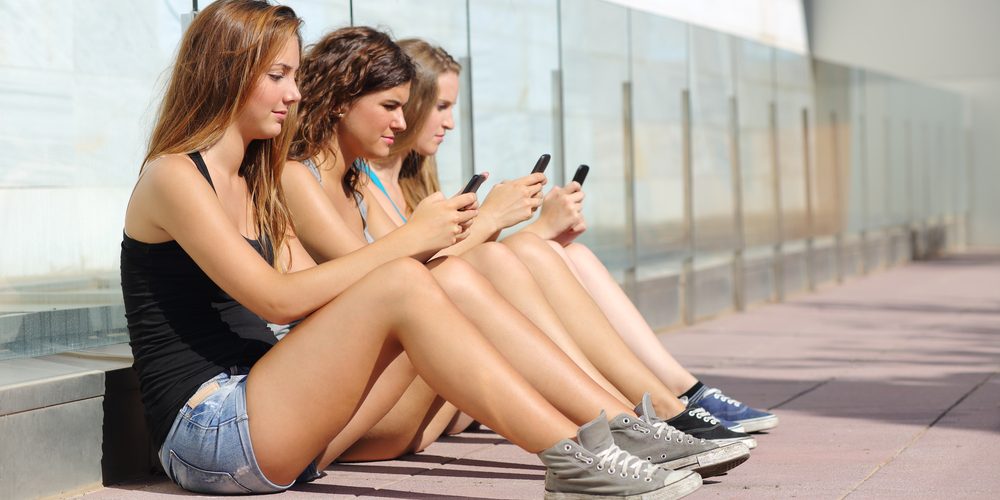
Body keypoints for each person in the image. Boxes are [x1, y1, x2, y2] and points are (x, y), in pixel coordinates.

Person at [121, 2, 701, 497]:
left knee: (441, 279)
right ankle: (578, 456)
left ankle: (618, 426)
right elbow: (275, 299)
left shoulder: (256, 179)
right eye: (278, 75)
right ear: (229, 71)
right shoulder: (173, 176)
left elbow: (310, 294)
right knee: (404, 281)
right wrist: (408, 244)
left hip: (277, 416)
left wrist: (424, 249)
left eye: (295, 75)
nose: (294, 94)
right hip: (212, 429)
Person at [281, 26, 751, 480]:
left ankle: (632, 418)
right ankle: (627, 421)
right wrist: (488, 221)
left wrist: (484, 224)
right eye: (391, 106)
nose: (402, 123)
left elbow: (411, 263)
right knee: (493, 260)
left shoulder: (357, 179)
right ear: (342, 100)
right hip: (354, 414)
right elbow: (383, 281)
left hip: (394, 394)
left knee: (511, 253)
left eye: (406, 108)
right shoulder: (298, 177)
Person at [364, 38, 777, 435]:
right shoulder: (363, 184)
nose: (449, 123)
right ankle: (631, 409)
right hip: (408, 386)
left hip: (439, 379)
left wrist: (534, 229)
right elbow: (418, 277)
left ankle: (676, 393)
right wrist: (506, 223)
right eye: (440, 106)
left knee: (570, 254)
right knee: (521, 250)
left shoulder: (412, 182)